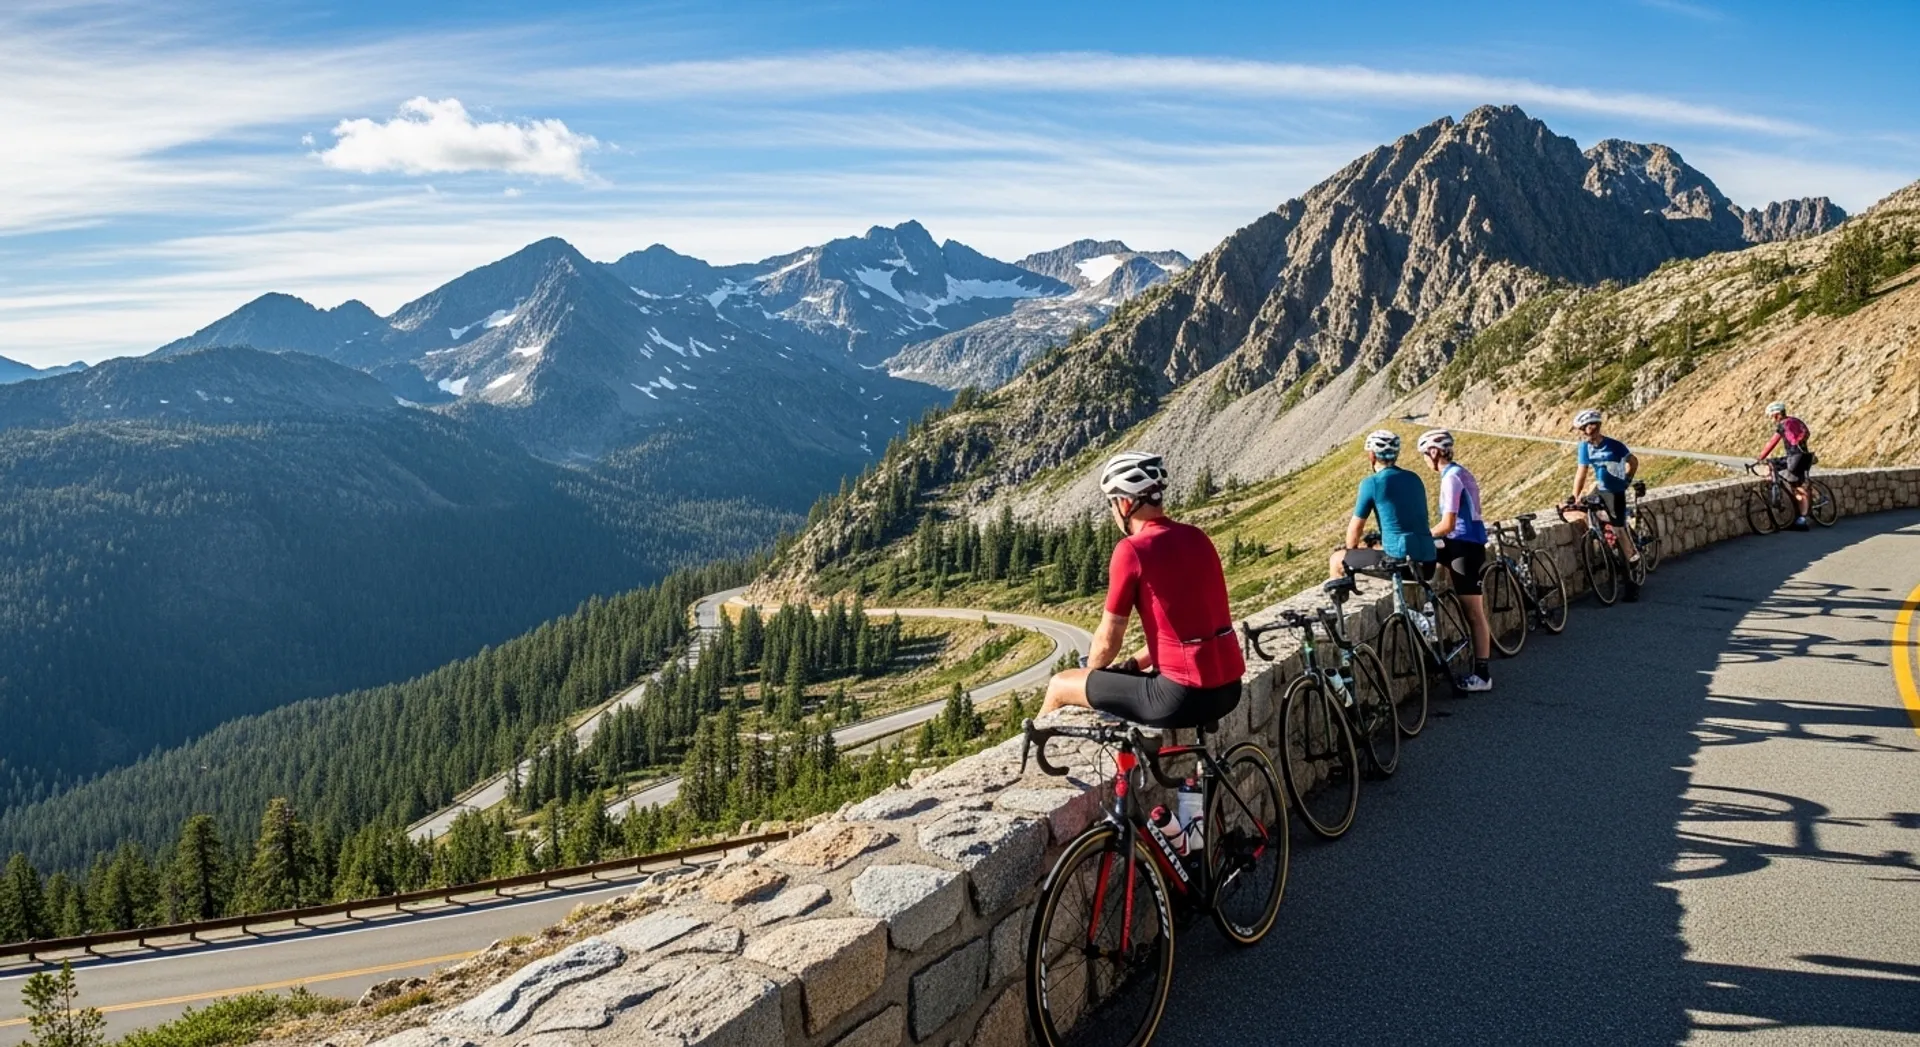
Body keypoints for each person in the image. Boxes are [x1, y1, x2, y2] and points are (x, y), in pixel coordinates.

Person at [1040, 452, 1245, 728]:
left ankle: (1025, 767)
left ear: (1124, 503)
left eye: (1112, 504)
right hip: (1229, 690)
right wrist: (1134, 664)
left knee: (1060, 685)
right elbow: (1191, 629)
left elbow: (1108, 641)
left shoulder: (1132, 550)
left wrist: (1090, 671)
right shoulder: (1198, 537)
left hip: (1180, 696)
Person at [1418, 430, 1493, 693]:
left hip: (1464, 547)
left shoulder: (1451, 478)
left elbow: (1448, 524)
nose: (1425, 460)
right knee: (1471, 611)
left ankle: (1482, 674)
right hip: (1462, 545)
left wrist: (1422, 535)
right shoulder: (1459, 472)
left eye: (1425, 454)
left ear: (1435, 453)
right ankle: (1426, 612)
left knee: (1473, 612)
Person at [1329, 430, 1438, 582]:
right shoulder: (1414, 478)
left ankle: (1340, 603)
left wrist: (1351, 552)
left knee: (1336, 559)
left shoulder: (1372, 483)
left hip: (1402, 563)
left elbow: (1355, 531)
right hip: (1429, 561)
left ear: (1372, 455)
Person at [1568, 408, 1642, 600]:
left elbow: (1633, 462)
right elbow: (1581, 472)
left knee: (1618, 532)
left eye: (1583, 429)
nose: (1582, 433)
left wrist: (1627, 479)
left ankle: (1632, 567)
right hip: (1600, 488)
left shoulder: (1615, 446)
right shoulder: (1584, 447)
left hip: (1615, 491)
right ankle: (1599, 537)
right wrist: (1574, 496)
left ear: (1592, 428)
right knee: (1586, 510)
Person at [1757, 401, 1815, 531]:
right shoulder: (1796, 420)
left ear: (1777, 415)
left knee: (1798, 487)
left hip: (1795, 458)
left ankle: (1802, 519)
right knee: (1798, 486)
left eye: (1771, 416)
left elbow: (1772, 442)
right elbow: (1807, 434)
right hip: (1805, 456)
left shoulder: (1783, 425)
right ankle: (1802, 515)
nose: (1771, 419)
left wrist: (1760, 457)